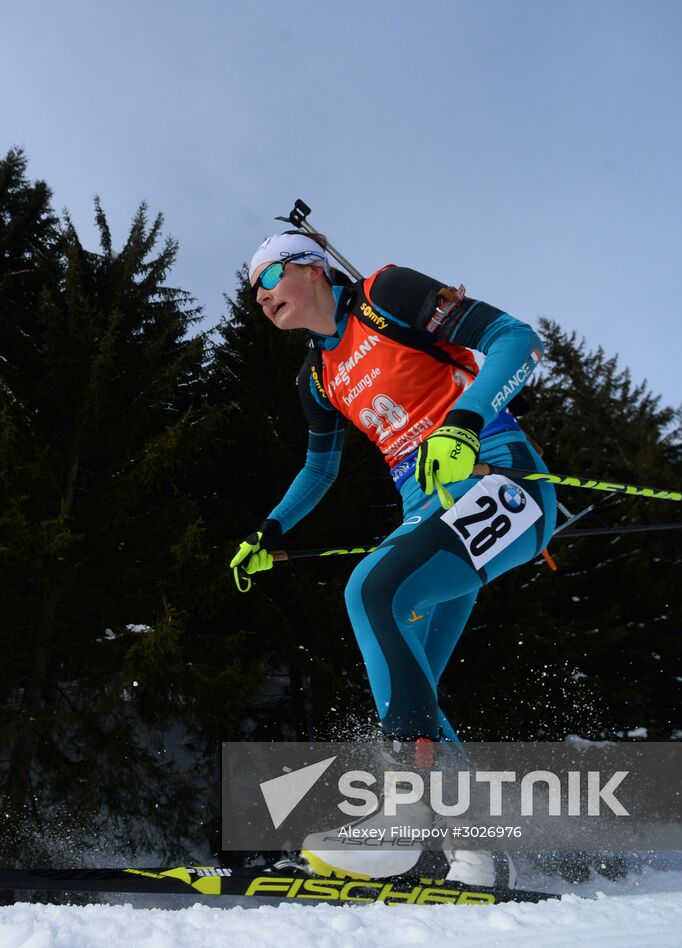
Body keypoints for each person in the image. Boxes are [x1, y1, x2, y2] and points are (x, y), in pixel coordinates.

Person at [229, 231, 556, 886]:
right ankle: (479, 853)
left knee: (371, 591)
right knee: (414, 689)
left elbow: (518, 341)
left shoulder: (386, 294)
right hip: (426, 513)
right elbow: (318, 471)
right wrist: (270, 530)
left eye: (269, 279)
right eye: (253, 289)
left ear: (312, 268)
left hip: (501, 483)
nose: (260, 297)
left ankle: (405, 814)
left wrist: (463, 423)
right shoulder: (316, 377)